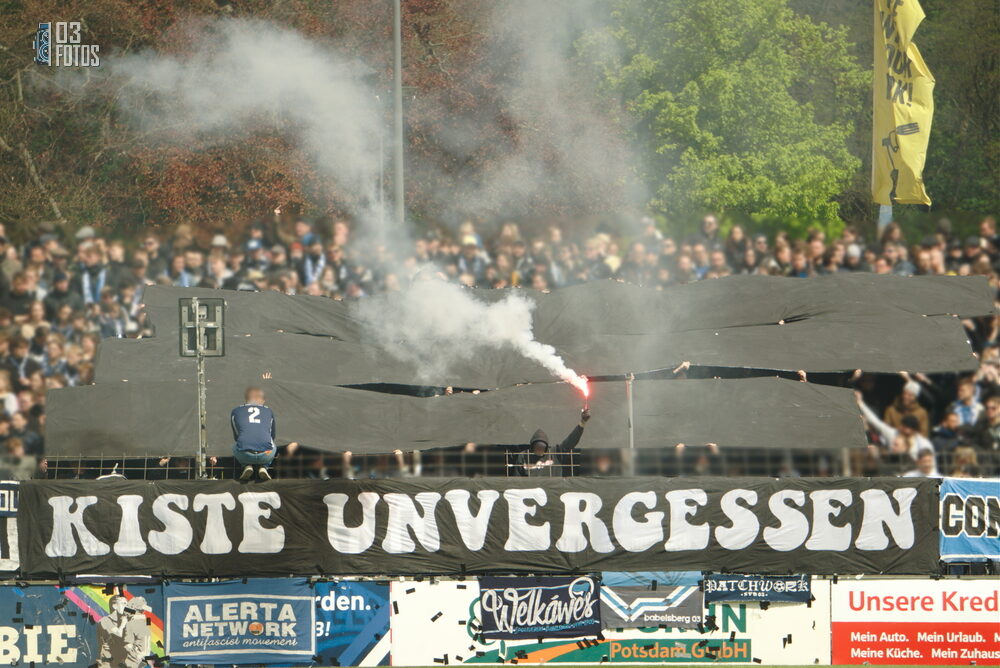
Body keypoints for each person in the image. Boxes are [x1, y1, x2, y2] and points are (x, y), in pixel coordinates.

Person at [231, 386, 297, 481]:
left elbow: (236, 436)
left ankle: (246, 465)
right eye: (263, 399)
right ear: (257, 398)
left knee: (235, 445)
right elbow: (272, 435)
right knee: (271, 443)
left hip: (245, 455)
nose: (264, 401)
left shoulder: (236, 411)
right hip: (266, 455)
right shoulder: (268, 410)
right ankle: (264, 467)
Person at [511, 408, 591, 476]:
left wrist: (582, 422)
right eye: (537, 446)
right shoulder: (524, 456)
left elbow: (571, 441)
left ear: (546, 447)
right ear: (533, 446)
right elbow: (517, 478)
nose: (540, 448)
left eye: (542, 446)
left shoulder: (555, 453)